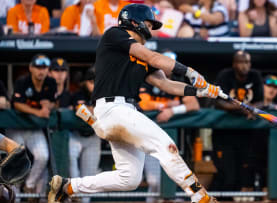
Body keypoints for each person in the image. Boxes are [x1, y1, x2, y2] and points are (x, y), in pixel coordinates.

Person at [48, 4, 221, 203]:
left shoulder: (141, 54)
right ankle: (199, 196)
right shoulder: (115, 34)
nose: (151, 28)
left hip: (124, 111)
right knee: (165, 145)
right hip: (113, 108)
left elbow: (165, 84)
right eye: (148, 23)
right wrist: (189, 72)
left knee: (129, 178)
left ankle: (68, 186)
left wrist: (201, 90)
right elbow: (153, 57)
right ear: (134, 21)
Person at [139, 50, 200, 203]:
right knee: (154, 181)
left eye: (170, 63)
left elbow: (194, 105)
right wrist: (166, 104)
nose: (166, 67)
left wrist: (173, 110)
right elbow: (143, 103)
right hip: (148, 135)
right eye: (164, 62)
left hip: (170, 138)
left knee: (171, 178)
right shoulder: (147, 77)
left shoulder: (178, 82)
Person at [212, 51, 263, 201]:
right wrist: (244, 108)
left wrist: (253, 109)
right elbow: (218, 101)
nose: (244, 66)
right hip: (224, 134)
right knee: (227, 174)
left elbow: (261, 101)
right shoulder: (225, 75)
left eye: (247, 62)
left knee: (242, 175)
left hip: (246, 135)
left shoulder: (255, 76)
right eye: (241, 62)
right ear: (234, 64)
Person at [7, 54, 56, 203]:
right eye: (38, 67)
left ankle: (29, 185)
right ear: (31, 68)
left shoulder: (50, 82)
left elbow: (52, 103)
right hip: (17, 127)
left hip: (34, 129)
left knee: (42, 156)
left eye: (44, 68)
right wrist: (38, 112)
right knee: (16, 160)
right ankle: (14, 196)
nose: (41, 71)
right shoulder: (23, 81)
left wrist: (48, 105)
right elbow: (17, 104)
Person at [70, 68, 101, 203]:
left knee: (90, 175)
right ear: (84, 82)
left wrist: (91, 111)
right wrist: (95, 116)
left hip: (93, 138)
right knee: (71, 161)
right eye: (90, 81)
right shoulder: (78, 94)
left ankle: (84, 200)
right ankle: (75, 192)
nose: (93, 84)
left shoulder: (104, 94)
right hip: (75, 136)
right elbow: (80, 110)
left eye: (96, 81)